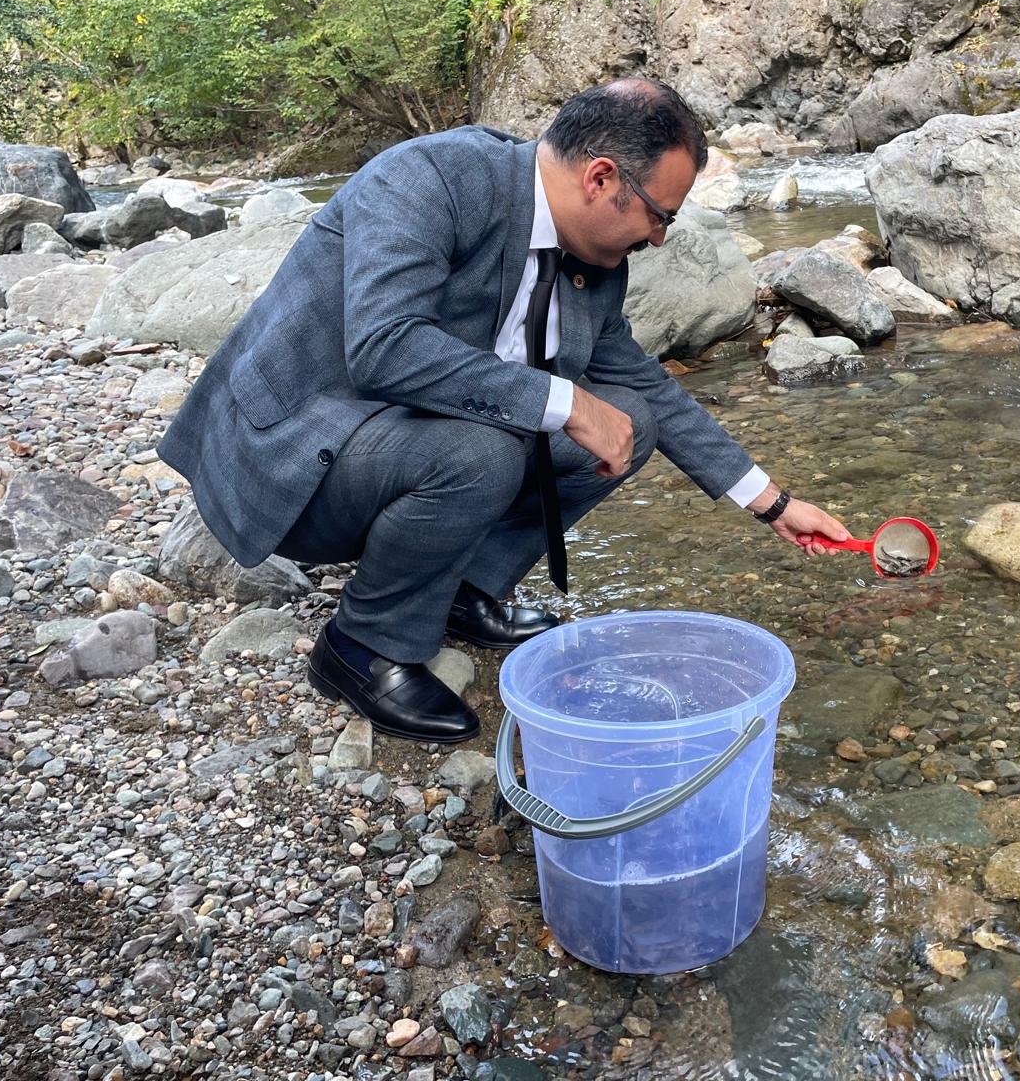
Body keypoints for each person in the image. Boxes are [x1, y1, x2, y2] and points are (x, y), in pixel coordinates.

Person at [159, 79, 849, 743]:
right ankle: (361, 646)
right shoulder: (431, 177)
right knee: (486, 449)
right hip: (296, 450)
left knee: (631, 421)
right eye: (659, 216)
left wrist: (772, 501)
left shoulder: (593, 263)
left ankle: (459, 587)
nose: (659, 238)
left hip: (402, 437)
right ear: (601, 179)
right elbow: (384, 348)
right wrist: (567, 402)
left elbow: (647, 383)